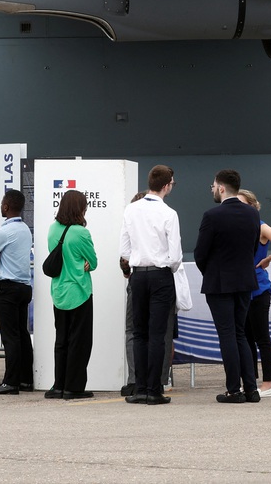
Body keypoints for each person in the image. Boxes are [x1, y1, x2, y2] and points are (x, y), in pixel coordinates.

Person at [194, 169, 261, 403]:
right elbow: (253, 248)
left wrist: (210, 272)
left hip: (219, 283)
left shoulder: (212, 216)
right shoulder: (252, 215)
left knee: (227, 335)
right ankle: (251, 389)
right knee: (240, 333)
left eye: (213, 186)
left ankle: (234, 390)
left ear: (221, 188)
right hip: (244, 281)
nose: (212, 189)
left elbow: (200, 253)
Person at [119, 166, 182, 406]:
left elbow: (123, 250)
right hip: (160, 274)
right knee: (157, 334)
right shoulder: (169, 213)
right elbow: (175, 255)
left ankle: (140, 387)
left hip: (138, 275)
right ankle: (155, 389)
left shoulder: (131, 209)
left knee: (139, 333)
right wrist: (167, 267)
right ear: (167, 186)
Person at [238, 189, 271, 398]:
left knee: (261, 337)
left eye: (242, 204)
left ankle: (268, 383)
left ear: (252, 205)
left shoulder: (261, 227)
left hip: (259, 288)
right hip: (242, 288)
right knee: (246, 338)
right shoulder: (238, 228)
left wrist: (270, 259)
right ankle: (250, 381)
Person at [0, 189, 34, 395]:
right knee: (22, 335)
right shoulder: (25, 230)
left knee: (10, 337)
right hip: (24, 287)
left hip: (8, 288)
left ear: (5, 206)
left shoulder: (3, 232)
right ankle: (26, 379)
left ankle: (10, 382)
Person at [46, 190, 98, 400]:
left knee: (62, 340)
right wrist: (84, 264)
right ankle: (74, 387)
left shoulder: (52, 230)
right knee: (80, 341)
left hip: (59, 291)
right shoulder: (81, 233)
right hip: (79, 292)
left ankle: (58, 385)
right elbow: (93, 262)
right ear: (80, 208)